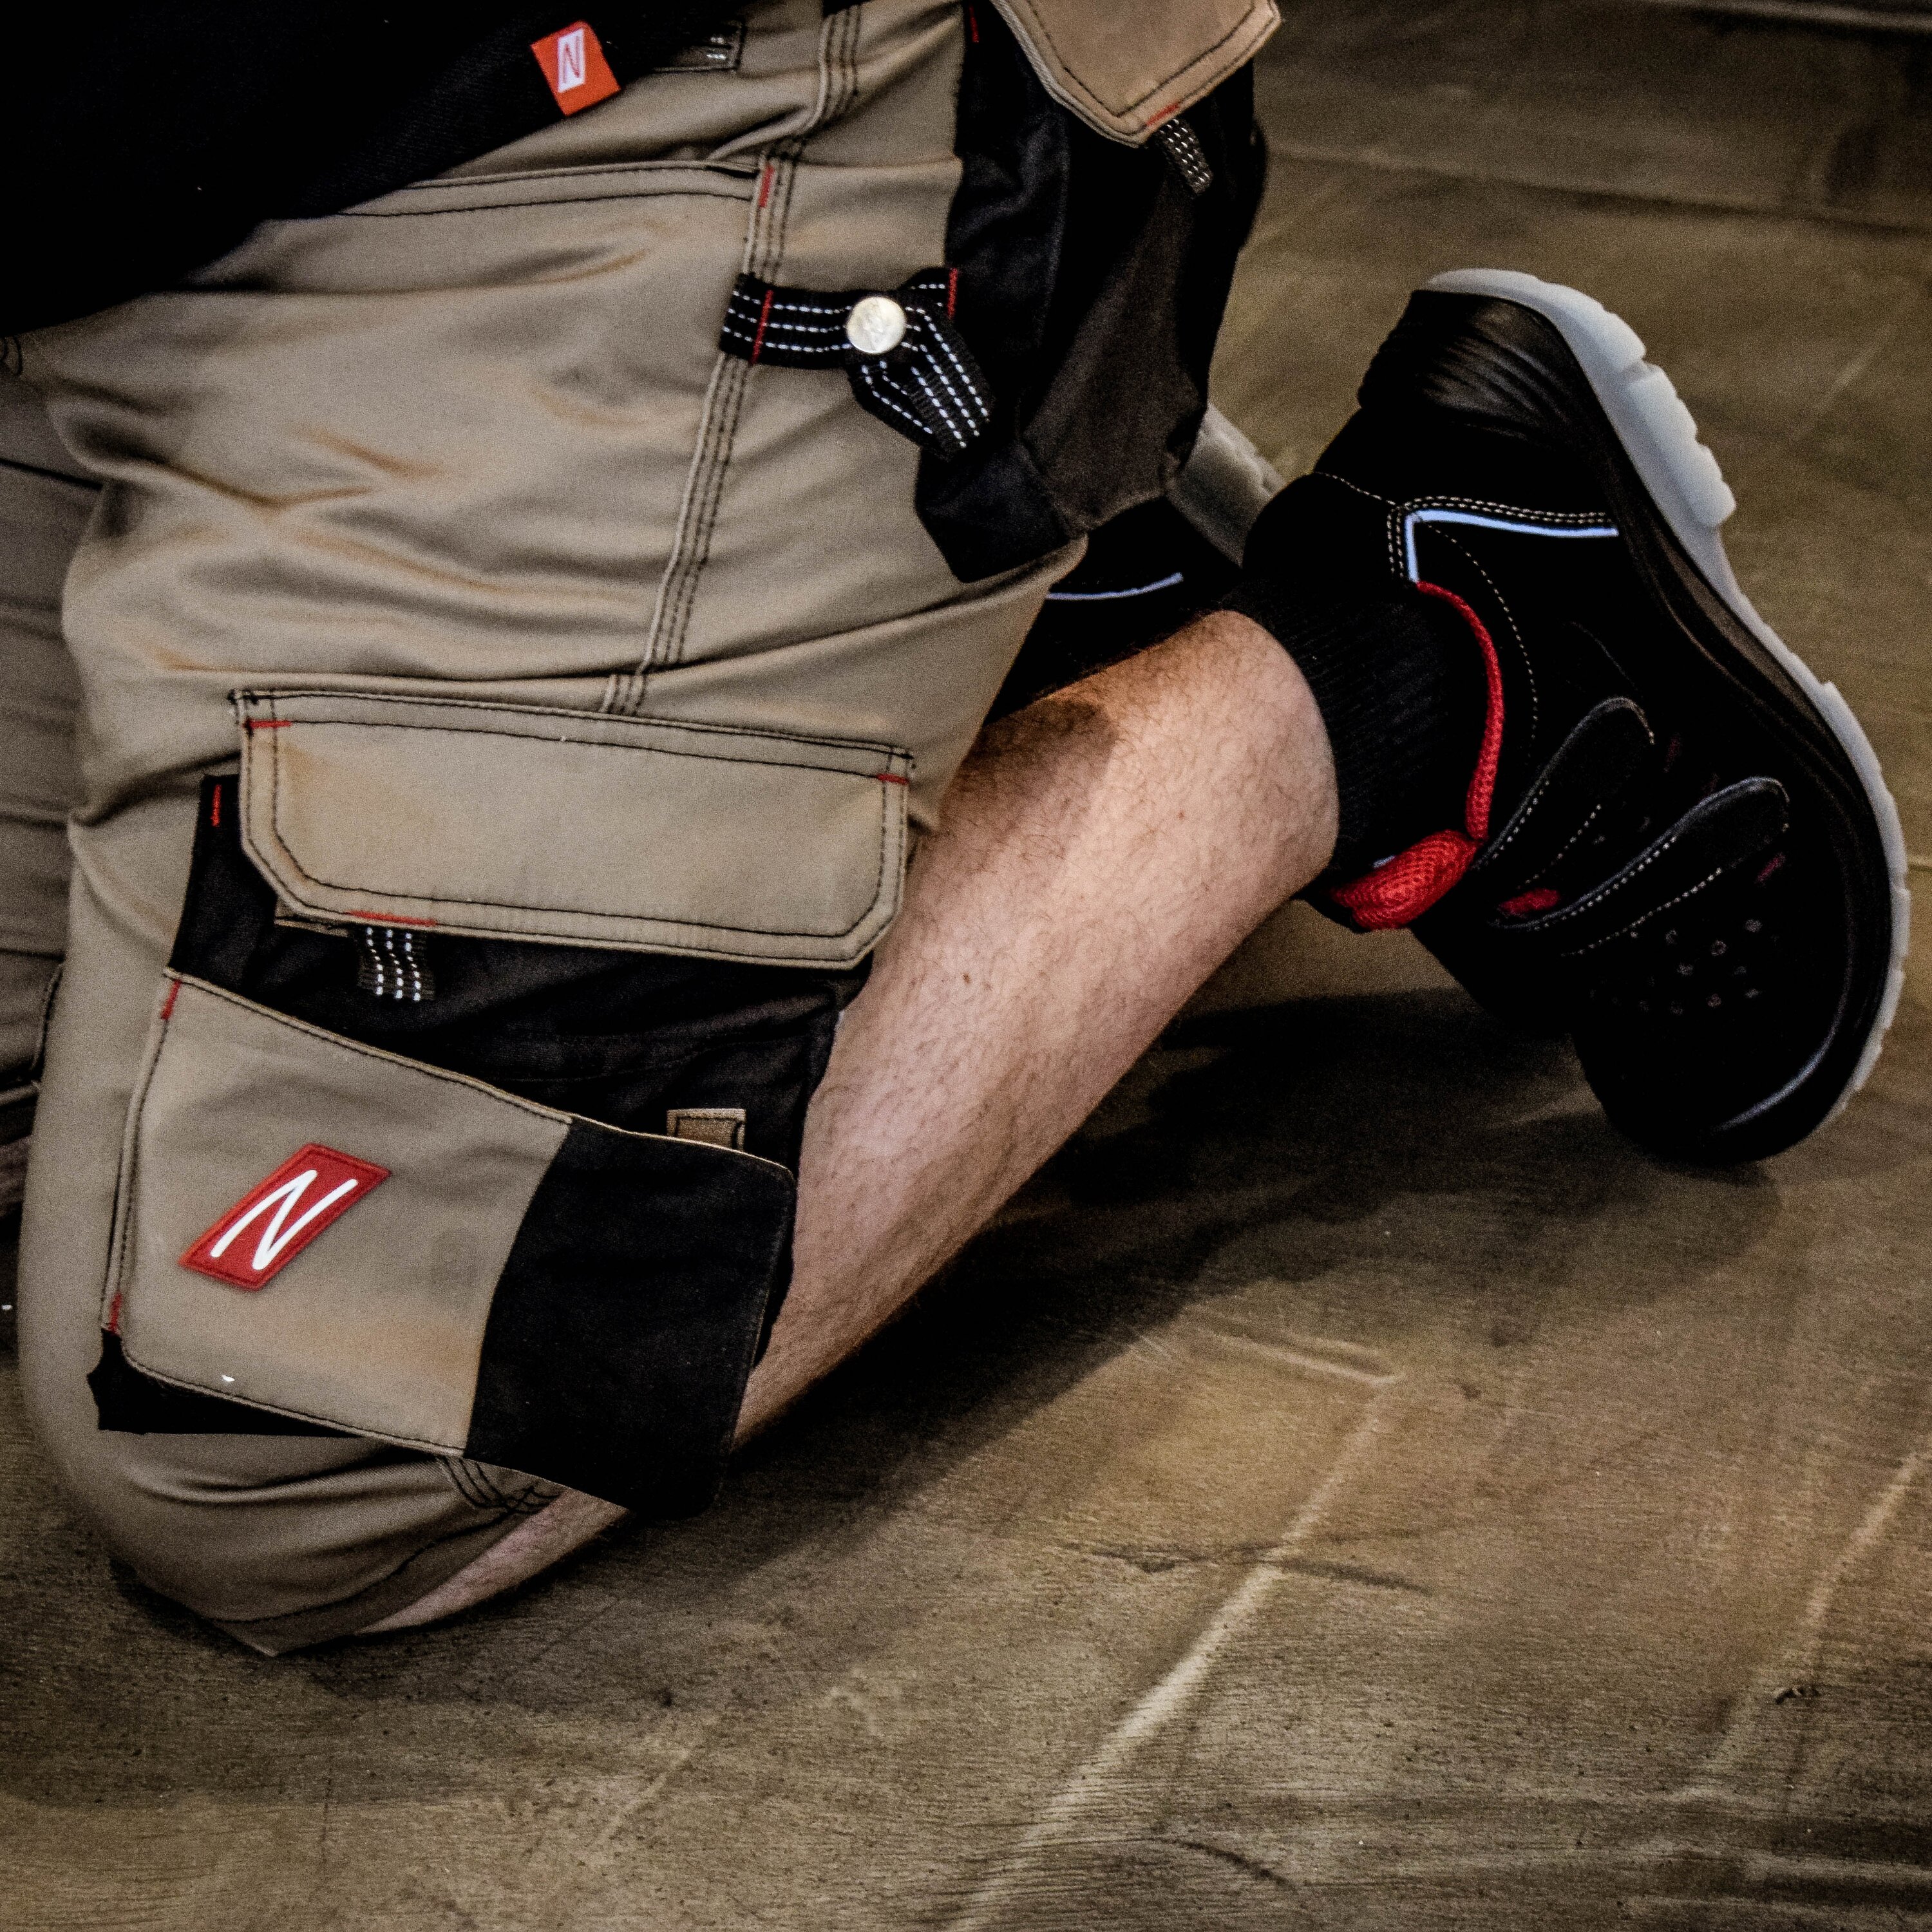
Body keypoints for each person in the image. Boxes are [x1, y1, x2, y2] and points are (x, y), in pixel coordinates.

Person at [0, 0, 1904, 1653]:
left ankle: (1445, 645)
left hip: (611, 104)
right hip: (131, 198)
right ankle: (973, 619)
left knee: (289, 1422)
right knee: (55, 1152)